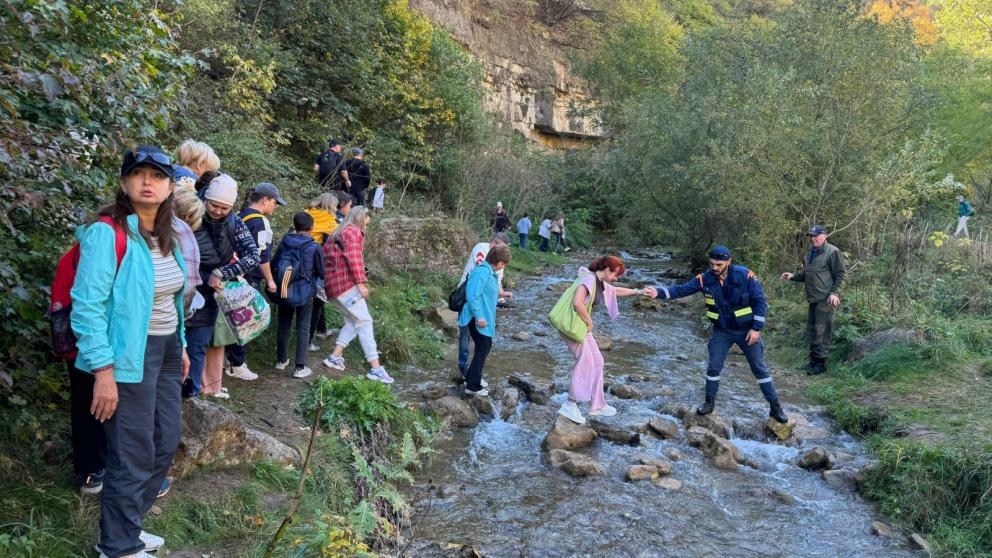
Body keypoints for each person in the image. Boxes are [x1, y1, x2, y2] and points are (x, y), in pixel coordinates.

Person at [71, 145, 189, 557]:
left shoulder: (166, 234)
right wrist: (103, 371)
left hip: (167, 350)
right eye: (138, 174)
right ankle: (117, 546)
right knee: (132, 451)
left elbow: (172, 299)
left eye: (157, 176)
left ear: (170, 185)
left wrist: (183, 345)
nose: (147, 182)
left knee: (165, 438)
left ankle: (129, 528)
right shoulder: (109, 234)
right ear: (124, 183)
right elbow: (86, 306)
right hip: (126, 356)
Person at [656, 245, 788, 423]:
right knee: (714, 367)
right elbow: (681, 290)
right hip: (722, 331)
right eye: (712, 264)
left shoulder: (745, 276)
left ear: (728, 261)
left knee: (759, 368)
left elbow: (760, 302)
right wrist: (657, 293)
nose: (715, 268)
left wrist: (756, 328)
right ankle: (709, 403)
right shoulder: (705, 279)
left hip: (747, 330)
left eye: (719, 264)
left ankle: (775, 407)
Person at [184, 172, 260, 399]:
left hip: (209, 296)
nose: (217, 211)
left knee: (199, 346)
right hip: (183, 287)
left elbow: (253, 256)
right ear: (205, 199)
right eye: (213, 205)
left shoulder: (235, 224)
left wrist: (222, 272)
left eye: (224, 208)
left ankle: (193, 397)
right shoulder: (189, 214)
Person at [557, 257, 657, 424]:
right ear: (608, 270)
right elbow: (577, 303)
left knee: (597, 360)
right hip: (572, 326)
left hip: (579, 326)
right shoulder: (589, 278)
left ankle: (597, 405)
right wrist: (589, 321)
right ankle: (570, 404)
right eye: (616, 274)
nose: (616, 278)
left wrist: (638, 292)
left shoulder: (599, 282)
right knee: (586, 361)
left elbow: (615, 290)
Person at [320, 206, 393, 384]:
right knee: (365, 321)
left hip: (331, 285)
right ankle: (375, 368)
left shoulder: (338, 231)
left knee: (354, 321)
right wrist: (361, 284)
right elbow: (355, 259)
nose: (367, 226)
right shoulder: (353, 232)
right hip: (345, 285)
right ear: (361, 217)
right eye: (367, 221)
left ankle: (334, 357)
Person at [224, 182, 286, 380]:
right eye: (275, 203)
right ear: (265, 200)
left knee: (229, 319)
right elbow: (261, 255)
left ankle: (227, 358)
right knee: (247, 320)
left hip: (230, 274)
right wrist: (270, 280)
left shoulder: (239, 215)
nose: (275, 207)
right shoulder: (259, 222)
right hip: (247, 278)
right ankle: (237, 363)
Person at [780, 225, 846, 375]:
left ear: (825, 236)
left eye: (816, 235)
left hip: (826, 298)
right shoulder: (811, 253)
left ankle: (820, 365)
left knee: (821, 332)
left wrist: (835, 293)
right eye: (811, 236)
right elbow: (807, 274)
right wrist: (793, 276)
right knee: (811, 331)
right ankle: (813, 362)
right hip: (813, 298)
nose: (813, 238)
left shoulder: (832, 252)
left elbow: (841, 274)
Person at [272, 212, 324, 379]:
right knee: (303, 326)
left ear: (294, 226)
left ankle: (281, 360)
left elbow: (274, 263)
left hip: (284, 288)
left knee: (284, 324)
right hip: (305, 291)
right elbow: (321, 271)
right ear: (312, 228)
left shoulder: (285, 242)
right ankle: (300, 367)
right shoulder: (314, 247)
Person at [456, 232, 513, 379]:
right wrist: (479, 315)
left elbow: (496, 280)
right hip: (467, 297)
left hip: (482, 303)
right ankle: (463, 368)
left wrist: (501, 294)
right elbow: (481, 276)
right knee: (466, 336)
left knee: (483, 344)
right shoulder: (482, 249)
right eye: (501, 247)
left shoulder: (499, 260)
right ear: (494, 243)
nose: (503, 251)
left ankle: (474, 375)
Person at [304, 193, 338, 344]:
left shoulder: (306, 213)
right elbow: (339, 235)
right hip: (315, 261)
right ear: (331, 206)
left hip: (299, 259)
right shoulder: (329, 220)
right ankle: (309, 339)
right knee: (317, 299)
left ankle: (319, 330)